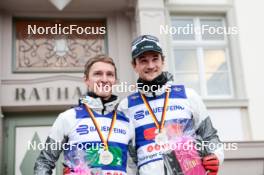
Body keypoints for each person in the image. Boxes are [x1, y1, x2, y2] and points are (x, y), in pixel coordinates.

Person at [118, 35, 224, 175]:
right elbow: (128, 158)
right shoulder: (126, 106)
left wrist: (216, 156)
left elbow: (210, 136)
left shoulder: (188, 95)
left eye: (155, 59)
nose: (150, 66)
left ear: (163, 61)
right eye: (143, 61)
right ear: (134, 65)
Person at [34, 55, 135, 175]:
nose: (104, 79)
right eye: (98, 74)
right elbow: (44, 162)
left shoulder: (126, 121)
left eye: (110, 74)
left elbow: (135, 166)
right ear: (86, 79)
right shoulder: (68, 117)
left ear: (115, 81)